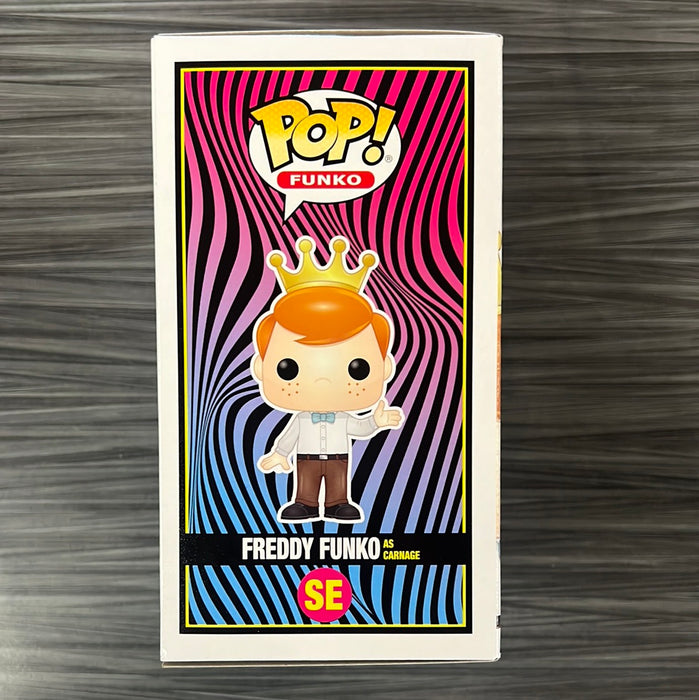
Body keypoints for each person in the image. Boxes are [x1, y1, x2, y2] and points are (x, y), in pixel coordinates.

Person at [251, 236, 404, 523]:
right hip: (306, 458)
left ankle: (338, 504)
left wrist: (376, 421)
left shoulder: (344, 418)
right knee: (306, 483)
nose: (322, 380)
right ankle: (304, 504)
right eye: (288, 368)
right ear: (261, 367)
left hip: (338, 458)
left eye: (358, 368)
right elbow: (289, 437)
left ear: (384, 367)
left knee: (338, 484)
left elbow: (360, 428)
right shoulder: (301, 419)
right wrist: (280, 454)